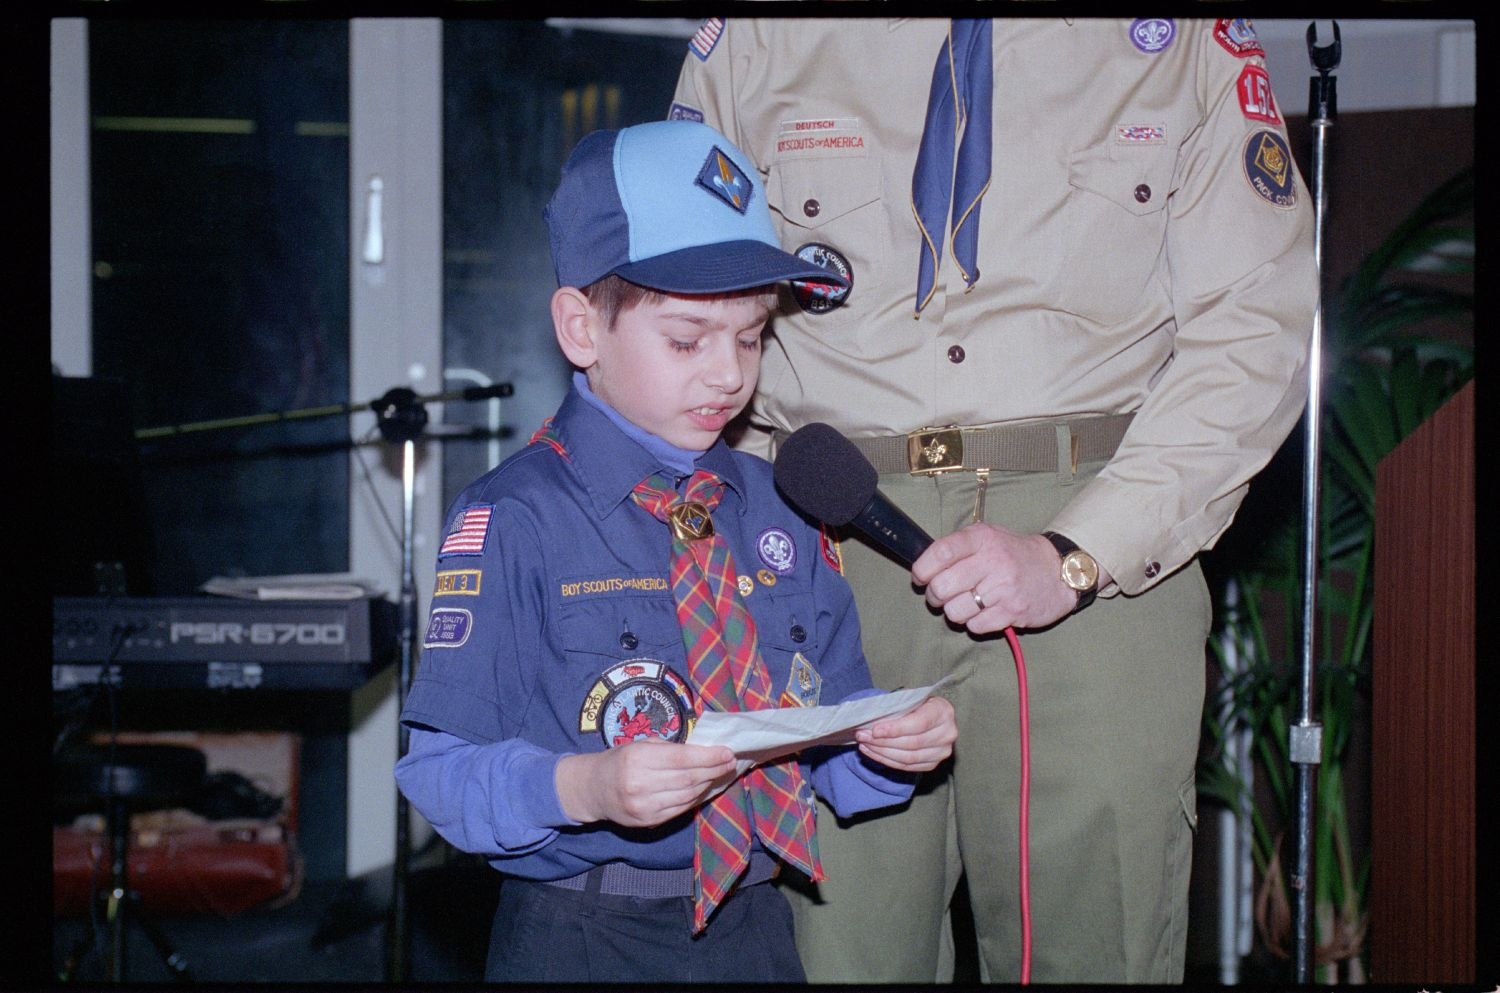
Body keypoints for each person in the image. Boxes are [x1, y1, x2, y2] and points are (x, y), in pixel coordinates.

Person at [671, 17, 1317, 985]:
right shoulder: (763, 33)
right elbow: (684, 290)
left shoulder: (1177, 36)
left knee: (1103, 934)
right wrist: (738, 528)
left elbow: (1254, 329)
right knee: (839, 947)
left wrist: (1078, 551)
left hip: (1100, 534)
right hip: (825, 532)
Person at [392, 118, 958, 985]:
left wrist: (884, 748)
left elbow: (826, 738)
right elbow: (439, 773)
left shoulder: (780, 504)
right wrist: (586, 789)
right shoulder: (515, 516)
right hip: (580, 929)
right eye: (687, 340)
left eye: (752, 336)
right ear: (582, 329)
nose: (729, 375)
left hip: (757, 922)